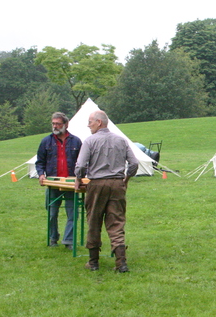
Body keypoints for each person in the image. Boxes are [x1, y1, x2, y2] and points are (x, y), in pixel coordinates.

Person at [74, 110, 139, 273]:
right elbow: (134, 164)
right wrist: (126, 180)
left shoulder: (90, 141)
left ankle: (93, 262)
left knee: (94, 222)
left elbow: (81, 166)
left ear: (99, 122)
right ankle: (121, 263)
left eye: (90, 122)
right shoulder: (121, 140)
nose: (88, 125)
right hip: (117, 184)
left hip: (96, 185)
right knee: (116, 222)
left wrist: (78, 179)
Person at [35, 112, 83, 250]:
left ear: (66, 124)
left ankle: (68, 240)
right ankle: (53, 237)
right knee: (52, 213)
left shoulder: (76, 141)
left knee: (72, 213)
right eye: (53, 123)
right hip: (52, 182)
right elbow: (40, 162)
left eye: (58, 124)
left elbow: (82, 161)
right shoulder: (46, 141)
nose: (55, 126)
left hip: (71, 183)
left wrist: (80, 178)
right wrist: (41, 174)